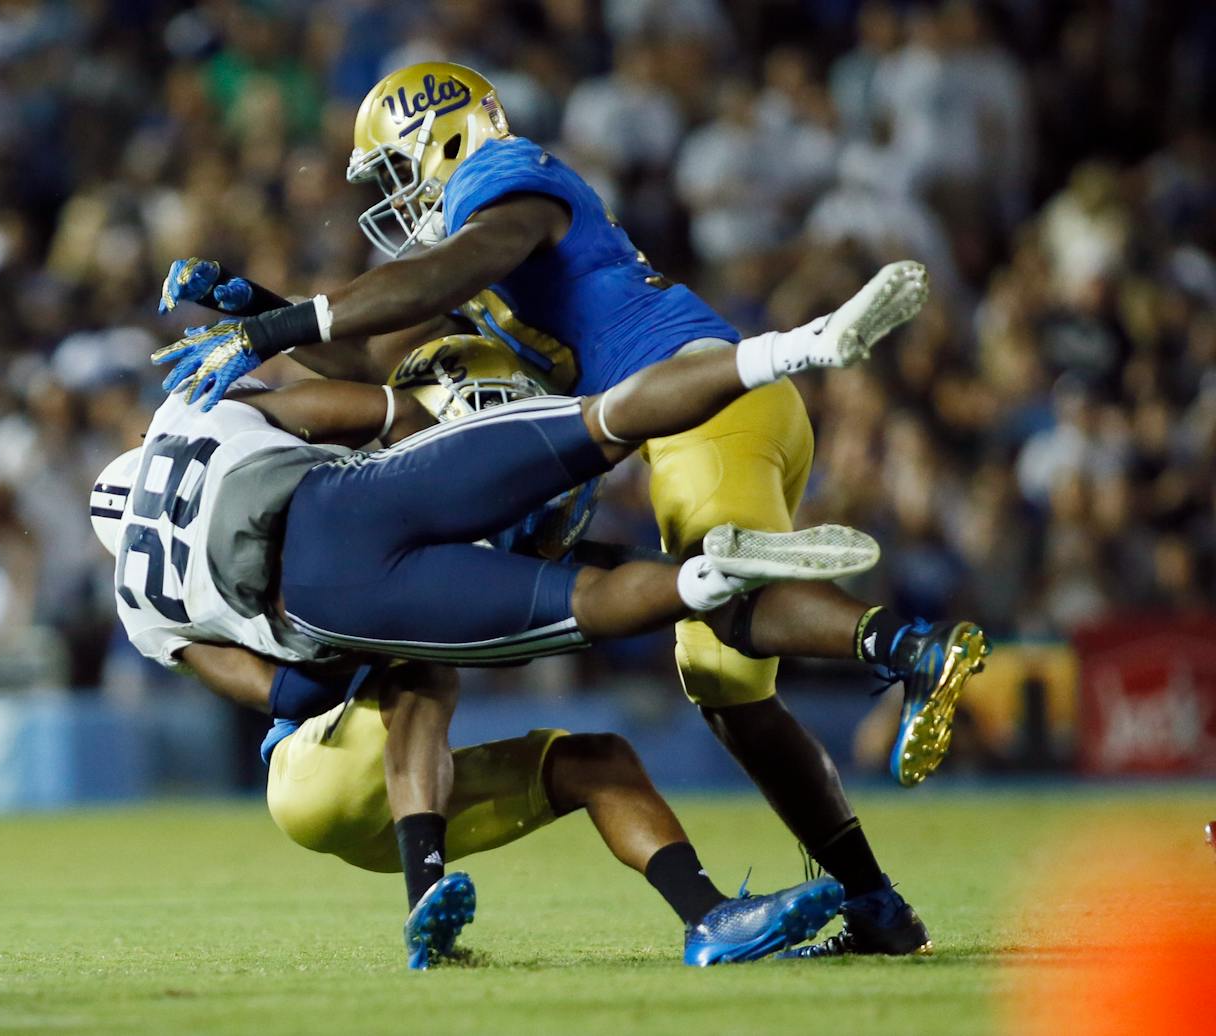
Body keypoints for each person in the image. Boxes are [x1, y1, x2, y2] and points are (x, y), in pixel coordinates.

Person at [152, 62, 989, 957]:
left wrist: (282, 330)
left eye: (397, 170)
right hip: (707, 408)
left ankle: (909, 648)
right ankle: (874, 905)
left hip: (702, 401)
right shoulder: (494, 300)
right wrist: (259, 309)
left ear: (443, 134)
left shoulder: (503, 178)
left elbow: (447, 274)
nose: (398, 197)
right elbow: (389, 366)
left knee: (720, 607)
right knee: (724, 682)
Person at [137, 641, 843, 970]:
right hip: (315, 763)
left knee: (599, 761)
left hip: (392, 799)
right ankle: (425, 898)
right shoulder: (362, 511)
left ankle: (709, 916)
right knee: (421, 656)